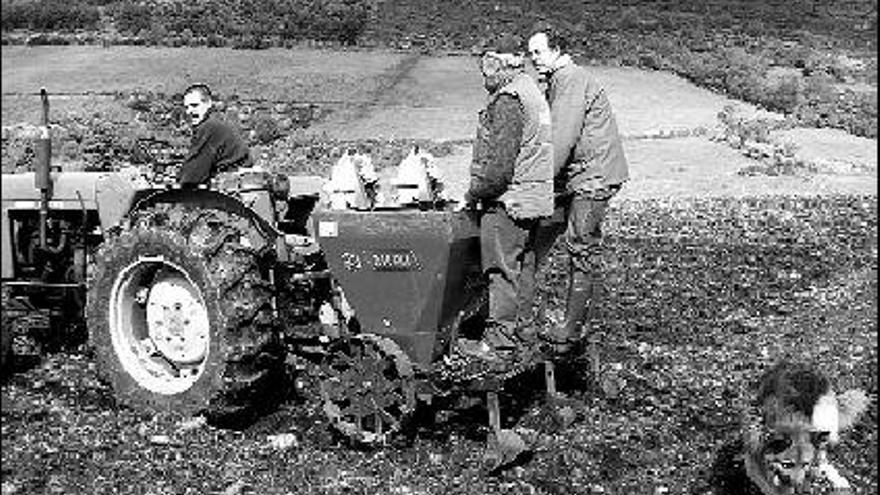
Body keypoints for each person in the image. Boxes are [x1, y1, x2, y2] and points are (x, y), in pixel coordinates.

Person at [527, 27, 629, 354]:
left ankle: (571, 329)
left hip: (593, 175)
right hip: (582, 173)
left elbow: (560, 140)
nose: (533, 59)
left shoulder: (569, 79)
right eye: (530, 54)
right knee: (548, 235)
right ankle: (545, 321)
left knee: (580, 246)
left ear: (556, 50)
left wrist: (535, 183)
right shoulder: (561, 79)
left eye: (538, 52)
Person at [459, 36, 555, 364]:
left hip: (509, 202)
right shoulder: (532, 92)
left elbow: (498, 169)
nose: (484, 76)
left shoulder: (508, 100)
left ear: (504, 65)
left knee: (501, 271)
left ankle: (497, 345)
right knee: (524, 269)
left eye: (488, 66)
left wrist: (474, 194)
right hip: (536, 199)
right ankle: (523, 335)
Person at [177, 83, 253, 187]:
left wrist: (179, 180)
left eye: (194, 105)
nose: (189, 111)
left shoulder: (210, 126)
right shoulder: (216, 120)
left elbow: (193, 173)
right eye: (186, 107)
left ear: (208, 103)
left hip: (233, 184)